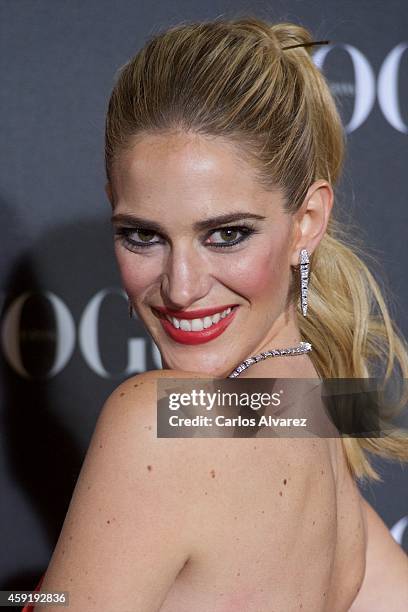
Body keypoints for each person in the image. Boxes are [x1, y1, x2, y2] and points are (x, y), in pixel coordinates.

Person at [24, 15, 408, 612]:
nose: (181, 287)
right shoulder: (322, 406)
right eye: (142, 236)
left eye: (226, 235)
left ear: (307, 221)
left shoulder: (158, 420)